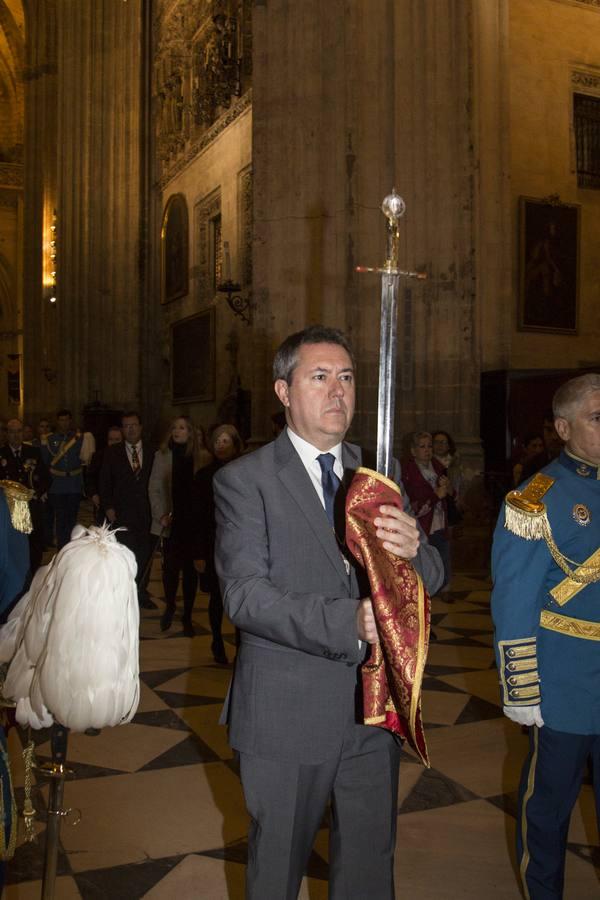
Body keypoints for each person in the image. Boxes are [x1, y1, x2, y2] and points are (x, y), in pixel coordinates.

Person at [214, 325, 443, 899]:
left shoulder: (375, 478)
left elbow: (432, 577)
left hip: (373, 711)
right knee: (277, 870)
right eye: (319, 377)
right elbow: (245, 595)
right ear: (284, 392)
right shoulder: (245, 481)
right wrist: (350, 622)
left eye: (346, 377)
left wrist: (417, 550)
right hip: (286, 712)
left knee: (368, 870)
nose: (337, 390)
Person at [491, 372, 600, 900]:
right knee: (549, 811)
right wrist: (522, 689)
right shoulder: (534, 499)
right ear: (563, 427)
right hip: (564, 683)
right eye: (598, 417)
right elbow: (514, 599)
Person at [148, 416, 211, 637]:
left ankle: (187, 616)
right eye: (174, 427)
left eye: (182, 428)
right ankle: (171, 606)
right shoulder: (162, 455)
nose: (177, 431)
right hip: (171, 521)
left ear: (190, 432)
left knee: (191, 572)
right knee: (170, 571)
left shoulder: (202, 457)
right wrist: (160, 515)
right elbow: (154, 488)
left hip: (193, 524)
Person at [195, 423, 244, 663]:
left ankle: (241, 645)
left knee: (241, 596)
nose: (221, 446)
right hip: (213, 542)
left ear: (235, 444)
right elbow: (198, 517)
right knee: (216, 597)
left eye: (226, 441)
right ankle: (216, 640)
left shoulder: (246, 471)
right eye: (217, 441)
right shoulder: (204, 475)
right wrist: (199, 554)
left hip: (241, 545)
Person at [99, 411, 156, 609]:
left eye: (134, 425)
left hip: (148, 512)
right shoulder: (112, 452)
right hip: (122, 511)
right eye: (126, 426)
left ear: (140, 427)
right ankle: (125, 592)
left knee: (145, 553)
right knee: (125, 553)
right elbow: (105, 482)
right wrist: (108, 506)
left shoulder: (153, 450)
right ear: (122, 430)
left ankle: (141, 591)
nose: (130, 429)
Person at [402, 430, 453, 591]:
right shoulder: (408, 472)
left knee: (443, 560)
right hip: (422, 525)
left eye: (429, 446)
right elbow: (413, 503)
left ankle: (443, 589)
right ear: (413, 450)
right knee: (424, 563)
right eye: (422, 446)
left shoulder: (438, 467)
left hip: (439, 523)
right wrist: (436, 496)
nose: (427, 450)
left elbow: (451, 495)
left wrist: (449, 489)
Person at [0, 419, 50, 575]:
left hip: (31, 506)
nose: (16, 435)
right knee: (13, 543)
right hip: (8, 508)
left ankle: (33, 574)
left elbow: (46, 478)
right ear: (7, 434)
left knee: (34, 543)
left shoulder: (33, 452)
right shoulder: (1, 454)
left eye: (19, 431)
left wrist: (39, 492)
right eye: (12, 432)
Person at [41, 409, 84, 550]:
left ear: (70, 421)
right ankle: (61, 549)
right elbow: (46, 462)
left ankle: (71, 548)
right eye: (61, 420)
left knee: (72, 519)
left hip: (74, 484)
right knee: (60, 519)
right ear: (57, 421)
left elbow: (84, 459)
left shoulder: (79, 438)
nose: (64, 423)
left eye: (66, 420)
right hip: (57, 485)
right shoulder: (50, 439)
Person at [84, 425, 123, 525]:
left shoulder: (127, 456)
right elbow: (90, 477)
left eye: (117, 440)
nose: (113, 443)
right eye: (111, 439)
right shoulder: (99, 456)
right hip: (103, 502)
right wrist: (93, 494)